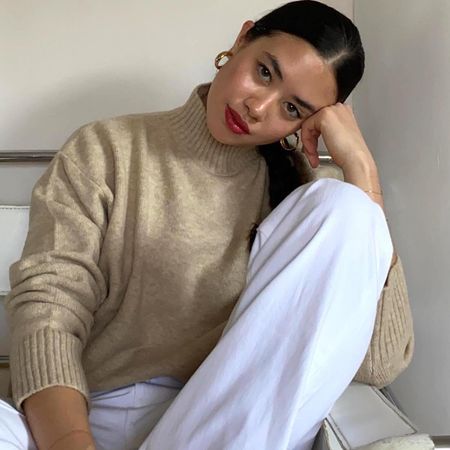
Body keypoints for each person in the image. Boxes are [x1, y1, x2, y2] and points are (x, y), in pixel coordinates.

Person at [1, 1, 414, 449]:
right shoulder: (106, 149)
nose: (259, 107)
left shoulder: (311, 205)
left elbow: (377, 364)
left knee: (345, 206)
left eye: (292, 108)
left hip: (226, 426)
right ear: (241, 40)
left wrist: (365, 182)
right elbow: (49, 307)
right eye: (265, 72)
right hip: (82, 416)